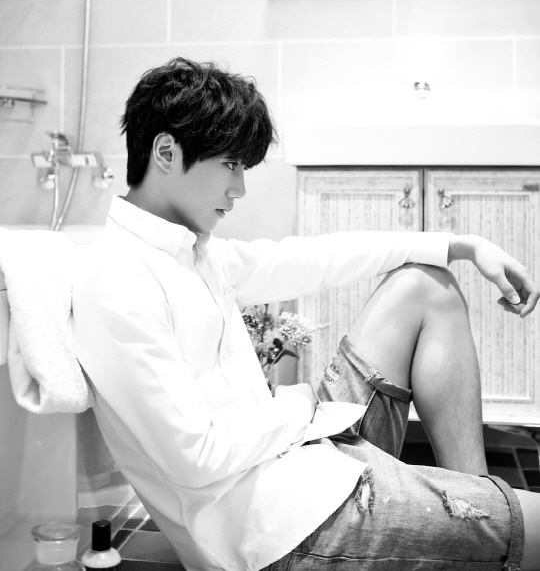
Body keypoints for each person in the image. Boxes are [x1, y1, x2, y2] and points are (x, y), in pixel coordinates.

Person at [72, 56, 540, 571]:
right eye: (231, 165)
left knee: (427, 285)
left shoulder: (195, 253)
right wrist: (296, 406)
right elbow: (196, 457)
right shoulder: (118, 281)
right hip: (278, 532)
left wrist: (463, 244)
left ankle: (475, 508)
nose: (239, 189)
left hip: (304, 458)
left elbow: (315, 258)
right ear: (166, 151)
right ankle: (486, 530)